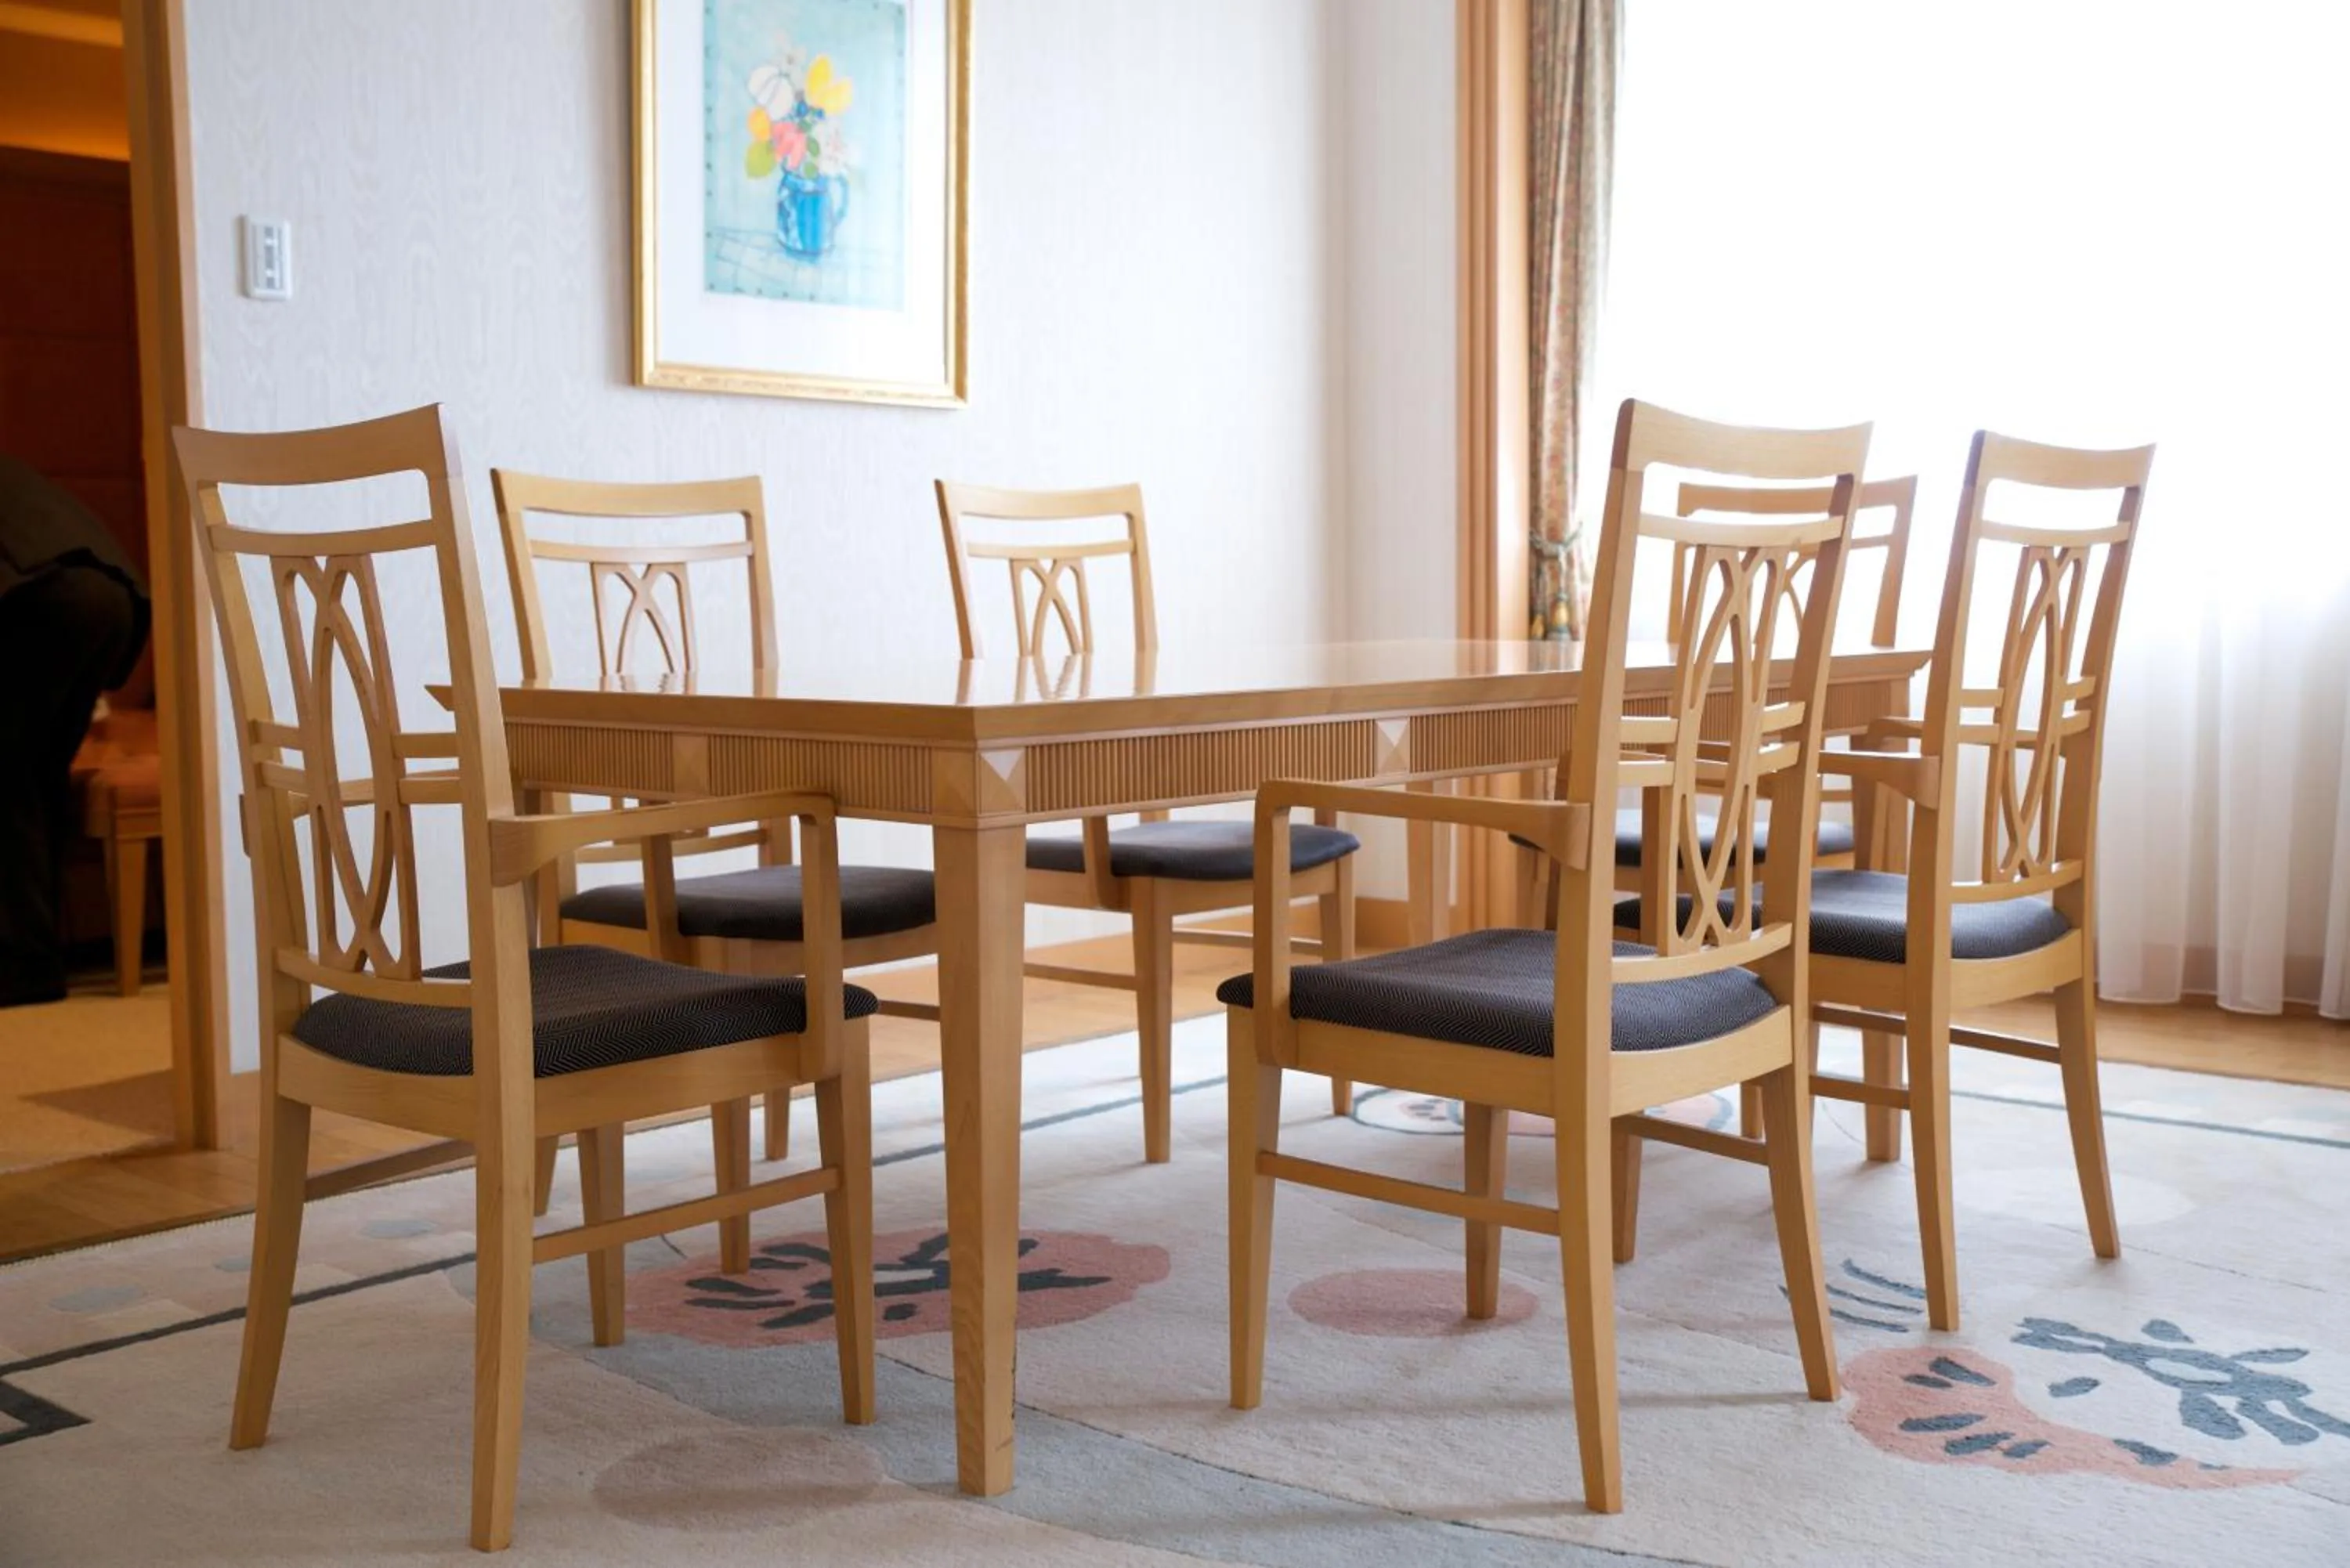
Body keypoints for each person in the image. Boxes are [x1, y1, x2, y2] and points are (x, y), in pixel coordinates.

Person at [0, 457, 150, 1006]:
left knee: (9, 775)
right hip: (114, 597)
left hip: (41, 596)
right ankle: (39, 952)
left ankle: (25, 966)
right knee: (38, 776)